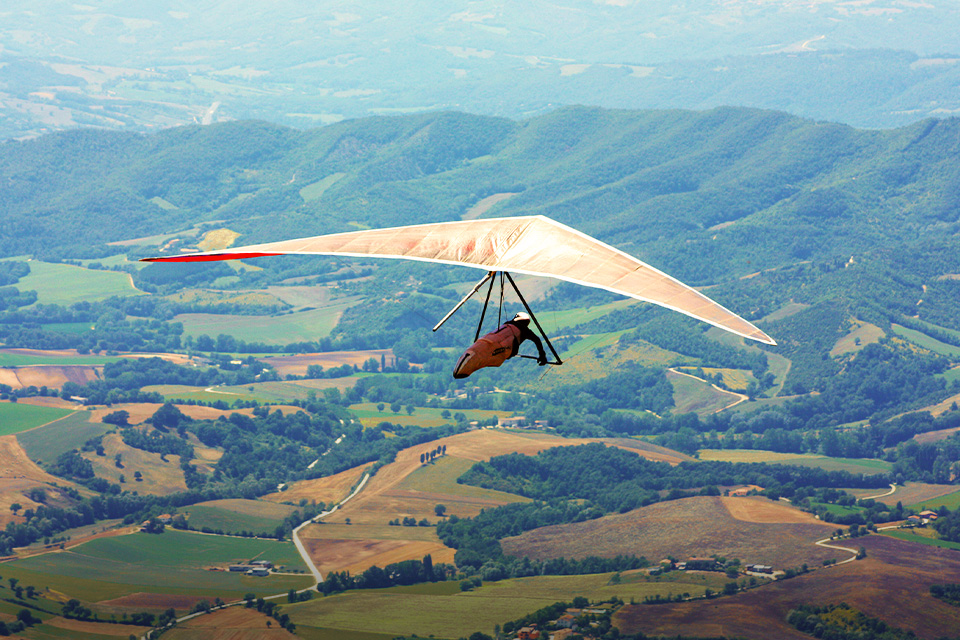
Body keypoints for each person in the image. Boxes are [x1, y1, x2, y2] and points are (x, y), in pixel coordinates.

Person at [452, 312, 548, 379]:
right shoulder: (523, 330)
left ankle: (460, 371)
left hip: (487, 341)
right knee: (479, 355)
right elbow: (537, 340)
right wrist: (542, 356)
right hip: (500, 348)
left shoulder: (508, 326)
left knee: (475, 353)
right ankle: (461, 371)